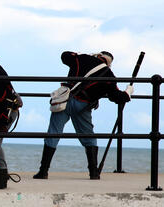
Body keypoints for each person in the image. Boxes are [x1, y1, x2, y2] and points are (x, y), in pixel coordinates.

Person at [33, 51, 134, 180]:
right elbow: (118, 97)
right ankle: (93, 173)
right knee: (89, 137)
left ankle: (43, 171)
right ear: (109, 64)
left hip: (65, 100)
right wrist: (128, 92)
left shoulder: (82, 58)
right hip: (83, 106)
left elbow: (65, 57)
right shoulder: (109, 75)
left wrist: (77, 54)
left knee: (53, 133)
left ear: (98, 55)